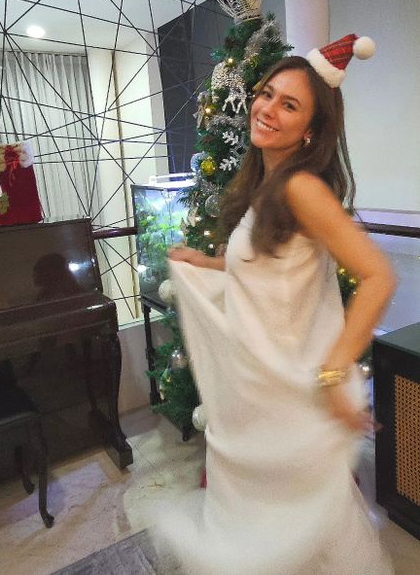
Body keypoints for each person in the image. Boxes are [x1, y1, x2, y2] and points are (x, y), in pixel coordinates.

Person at [160, 34, 396, 574]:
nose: (267, 109)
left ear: (310, 129)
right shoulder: (268, 186)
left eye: (289, 105)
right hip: (258, 387)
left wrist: (334, 374)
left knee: (293, 526)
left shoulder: (301, 189)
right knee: (274, 522)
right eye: (267, 94)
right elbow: (265, 272)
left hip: (289, 388)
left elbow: (379, 277)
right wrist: (208, 262)